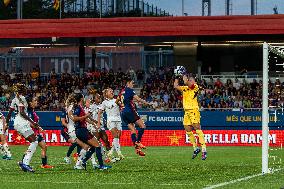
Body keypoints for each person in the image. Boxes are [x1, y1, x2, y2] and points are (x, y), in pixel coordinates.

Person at [73, 93, 111, 170]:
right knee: (97, 145)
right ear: (81, 99)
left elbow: (85, 118)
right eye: (83, 97)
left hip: (81, 130)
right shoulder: (78, 108)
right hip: (81, 130)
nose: (84, 99)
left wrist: (94, 122)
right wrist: (85, 116)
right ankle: (101, 165)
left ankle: (83, 162)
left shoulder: (80, 107)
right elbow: (75, 119)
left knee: (93, 147)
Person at [6, 84, 39, 172]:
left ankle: (24, 163)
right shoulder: (23, 98)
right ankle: (25, 163)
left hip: (17, 123)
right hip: (22, 122)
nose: (26, 90)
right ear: (22, 90)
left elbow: (9, 113)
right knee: (34, 141)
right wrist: (32, 122)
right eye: (25, 89)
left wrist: (6, 123)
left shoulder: (14, 99)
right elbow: (22, 113)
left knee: (33, 141)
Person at [174, 75, 207, 160]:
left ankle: (204, 150)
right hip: (186, 112)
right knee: (187, 129)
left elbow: (188, 83)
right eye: (190, 80)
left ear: (194, 82)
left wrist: (184, 77)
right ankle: (195, 148)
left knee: (197, 128)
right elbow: (175, 86)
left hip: (194, 110)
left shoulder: (195, 87)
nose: (190, 81)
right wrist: (177, 77)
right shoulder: (185, 88)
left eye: (191, 80)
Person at [118, 78, 150, 156]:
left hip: (123, 112)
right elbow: (138, 99)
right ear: (128, 83)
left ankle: (137, 150)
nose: (133, 85)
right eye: (132, 83)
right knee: (142, 126)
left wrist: (122, 107)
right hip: (129, 111)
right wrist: (147, 103)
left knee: (133, 130)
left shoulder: (121, 92)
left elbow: (118, 101)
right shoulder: (129, 90)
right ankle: (138, 142)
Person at [26, 96, 53, 168]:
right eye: (34, 100)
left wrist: (39, 128)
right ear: (30, 103)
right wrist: (37, 127)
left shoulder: (32, 111)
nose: (36, 102)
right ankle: (24, 162)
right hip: (32, 133)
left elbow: (34, 123)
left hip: (36, 132)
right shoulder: (29, 112)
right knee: (32, 148)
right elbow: (29, 123)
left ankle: (44, 164)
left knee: (44, 147)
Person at [98, 88, 124, 161]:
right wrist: (98, 122)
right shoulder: (104, 102)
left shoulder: (116, 100)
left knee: (118, 137)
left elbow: (122, 106)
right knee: (115, 135)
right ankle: (119, 153)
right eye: (110, 91)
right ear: (106, 94)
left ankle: (111, 152)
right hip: (111, 120)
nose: (112, 92)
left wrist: (121, 102)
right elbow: (100, 112)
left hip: (118, 120)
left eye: (112, 91)